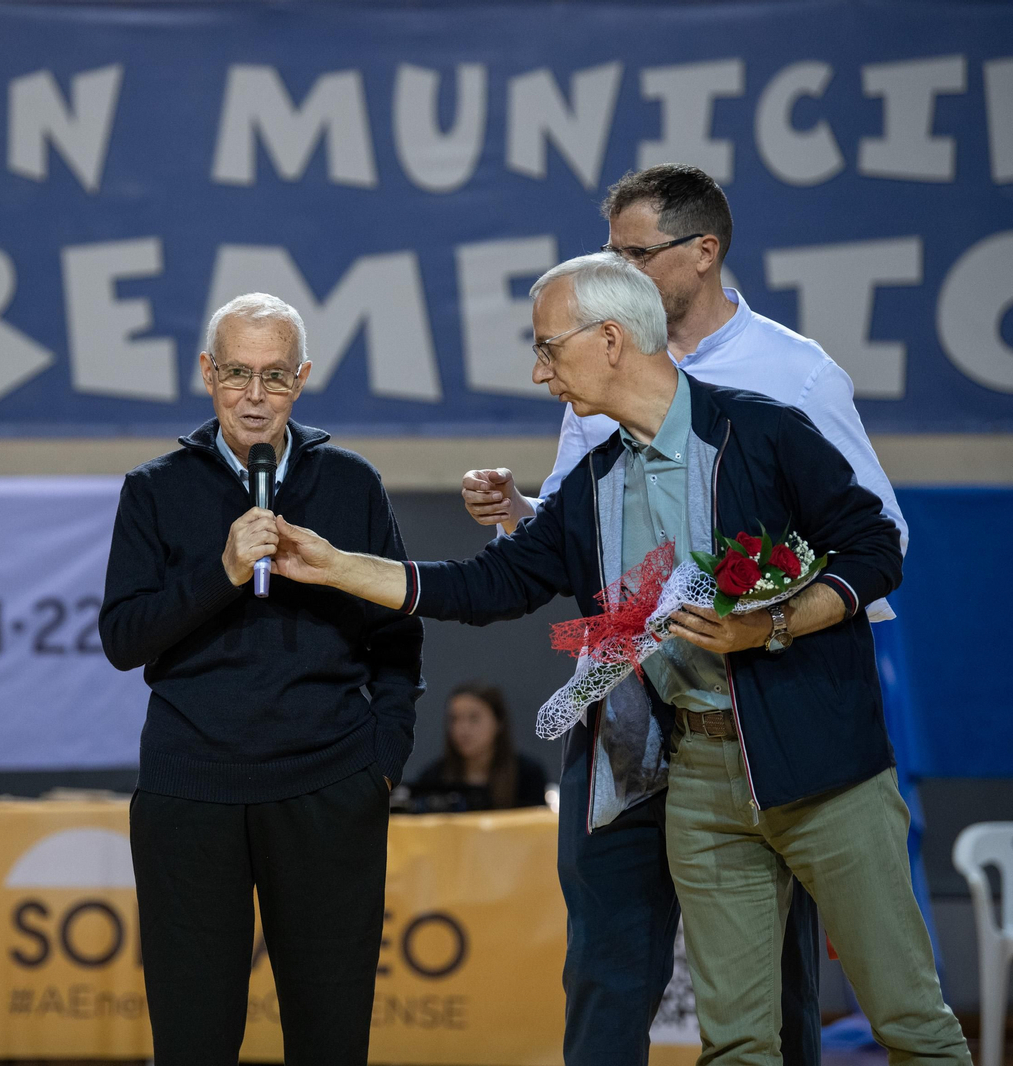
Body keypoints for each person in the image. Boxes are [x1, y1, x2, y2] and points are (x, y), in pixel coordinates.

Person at [271, 252, 971, 1065]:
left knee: (912, 1025)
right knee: (738, 1046)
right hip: (699, 781)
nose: (539, 373)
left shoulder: (765, 430)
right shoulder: (594, 481)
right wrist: (336, 565)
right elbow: (490, 584)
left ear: (610, 339)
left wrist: (773, 624)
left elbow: (876, 547)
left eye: (547, 348)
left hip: (823, 769)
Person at [458, 164, 914, 1065]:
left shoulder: (794, 375)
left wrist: (767, 624)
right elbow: (568, 533)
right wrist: (517, 511)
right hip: (623, 709)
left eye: (633, 252)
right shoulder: (594, 374)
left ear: (703, 252)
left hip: (754, 711)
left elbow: (878, 535)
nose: (615, 267)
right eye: (609, 253)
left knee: (778, 969)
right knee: (607, 950)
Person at [99, 293, 424, 1066]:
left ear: (303, 378)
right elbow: (123, 640)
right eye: (237, 373)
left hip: (329, 786)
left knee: (331, 1036)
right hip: (189, 792)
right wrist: (223, 571)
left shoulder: (352, 483)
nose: (253, 395)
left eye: (274, 377)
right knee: (193, 1039)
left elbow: (398, 636)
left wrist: (380, 765)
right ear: (206, 374)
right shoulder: (155, 488)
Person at [407, 683, 547, 812]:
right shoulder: (433, 778)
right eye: (454, 719)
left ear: (499, 722)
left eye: (474, 718)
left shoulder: (527, 776)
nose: (463, 729)